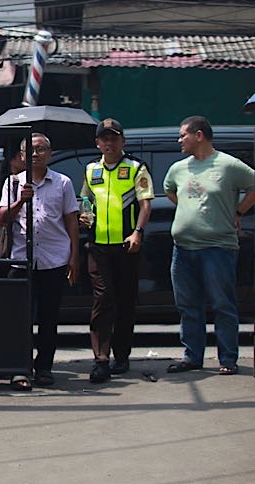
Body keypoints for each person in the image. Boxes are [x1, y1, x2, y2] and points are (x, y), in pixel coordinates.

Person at [163, 116, 255, 376]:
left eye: (183, 135)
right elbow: (170, 189)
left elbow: (253, 185)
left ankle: (227, 358)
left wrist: (237, 211)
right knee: (187, 304)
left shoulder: (228, 165)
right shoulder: (179, 168)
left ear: (199, 135)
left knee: (222, 304)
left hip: (218, 247)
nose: (180, 140)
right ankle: (192, 357)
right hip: (182, 248)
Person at [0, 133, 79, 388]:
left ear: (50, 153)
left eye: (41, 149)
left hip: (54, 258)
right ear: (22, 156)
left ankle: (44, 367)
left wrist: (74, 256)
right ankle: (20, 368)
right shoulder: (13, 184)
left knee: (48, 318)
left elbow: (71, 220)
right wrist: (21, 201)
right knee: (19, 318)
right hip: (21, 259)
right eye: (30, 150)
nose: (36, 154)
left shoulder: (62, 182)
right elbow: (2, 218)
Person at [79, 119, 154, 383]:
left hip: (126, 246)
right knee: (103, 298)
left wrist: (137, 232)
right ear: (97, 142)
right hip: (98, 246)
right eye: (104, 139)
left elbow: (145, 204)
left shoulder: (136, 168)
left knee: (124, 300)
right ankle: (101, 360)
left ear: (122, 141)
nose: (109, 143)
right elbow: (86, 200)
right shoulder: (90, 170)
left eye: (114, 138)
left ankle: (121, 355)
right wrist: (84, 216)